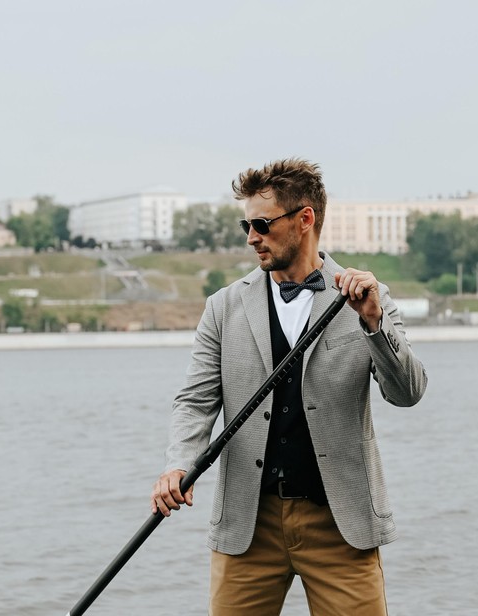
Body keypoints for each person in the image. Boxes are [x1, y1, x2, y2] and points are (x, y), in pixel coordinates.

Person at [152, 158, 428, 615]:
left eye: (261, 224)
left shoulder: (367, 299)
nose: (250, 237)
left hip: (341, 524)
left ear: (305, 220)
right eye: (246, 224)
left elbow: (408, 392)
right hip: (248, 525)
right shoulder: (223, 308)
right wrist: (178, 464)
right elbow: (196, 401)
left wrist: (374, 324)